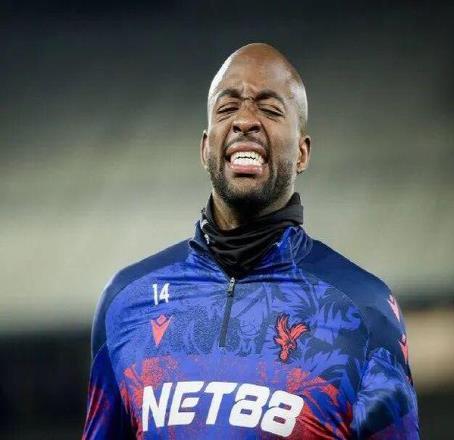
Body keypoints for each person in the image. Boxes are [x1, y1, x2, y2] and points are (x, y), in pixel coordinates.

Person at [83, 43, 419, 439]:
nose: (245, 120)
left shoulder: (363, 310)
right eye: (227, 108)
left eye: (270, 109)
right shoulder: (127, 301)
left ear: (302, 153)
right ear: (205, 147)